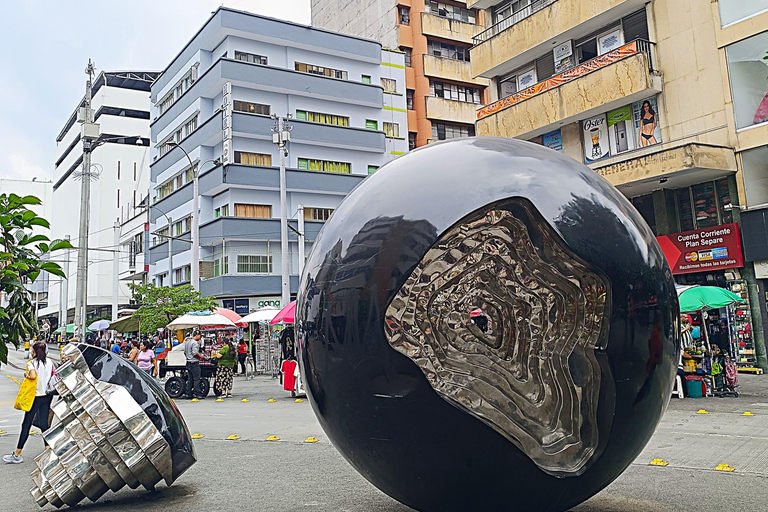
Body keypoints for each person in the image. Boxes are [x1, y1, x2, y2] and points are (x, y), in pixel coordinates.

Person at [4, 342, 56, 464]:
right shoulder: (50, 362)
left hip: (35, 397)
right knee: (44, 424)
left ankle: (17, 454)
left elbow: (33, 376)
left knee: (26, 424)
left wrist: (27, 374)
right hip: (47, 396)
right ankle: (48, 450)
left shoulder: (32, 363)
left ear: (35, 351)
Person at [184, 331, 205, 399]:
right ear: (197, 335)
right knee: (196, 379)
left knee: (190, 379)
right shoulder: (195, 343)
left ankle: (188, 393)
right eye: (200, 336)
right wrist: (200, 357)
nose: (200, 338)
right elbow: (195, 353)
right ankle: (197, 393)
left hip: (188, 362)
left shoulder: (187, 342)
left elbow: (185, 352)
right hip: (194, 362)